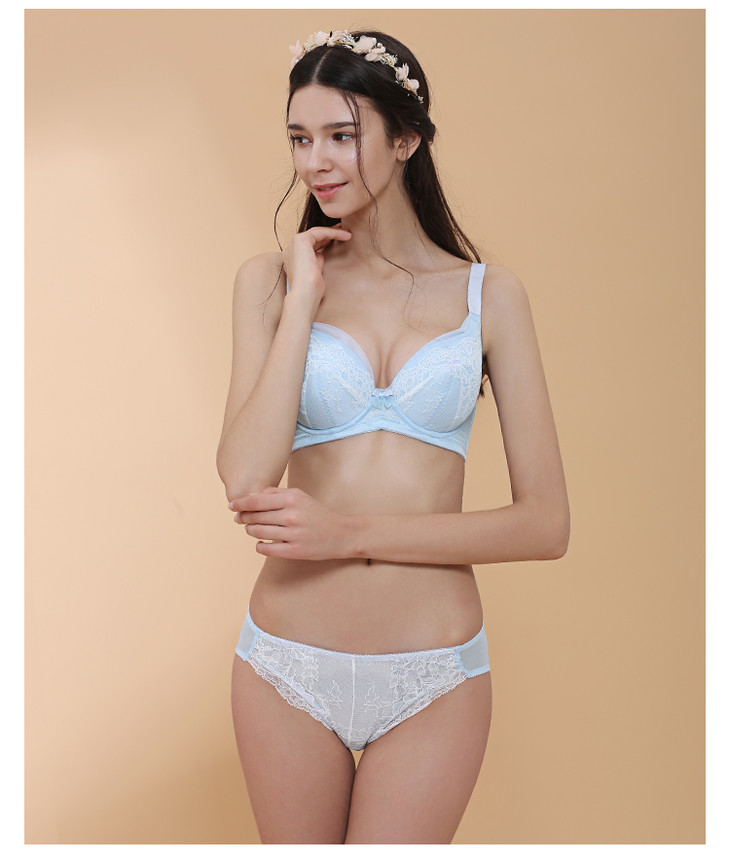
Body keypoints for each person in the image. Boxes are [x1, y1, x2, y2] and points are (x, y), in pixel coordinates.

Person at [216, 28, 569, 844]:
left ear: (405, 139)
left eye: (342, 136)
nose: (316, 162)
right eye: (299, 139)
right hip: (285, 663)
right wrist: (303, 303)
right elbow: (244, 476)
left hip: (434, 676)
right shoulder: (268, 284)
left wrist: (348, 533)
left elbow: (546, 524)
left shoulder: (489, 298)